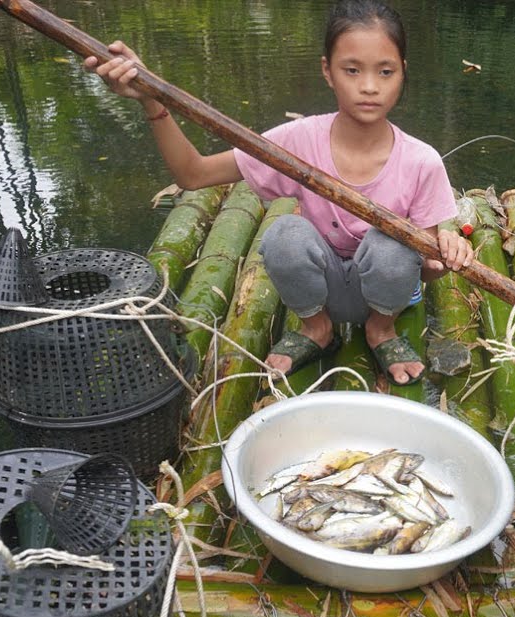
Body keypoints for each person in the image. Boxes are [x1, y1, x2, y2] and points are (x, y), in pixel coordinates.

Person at [84, 0, 473, 385]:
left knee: (393, 246)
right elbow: (193, 174)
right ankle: (316, 327)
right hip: (321, 288)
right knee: (284, 233)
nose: (369, 86)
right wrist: (152, 98)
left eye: (385, 71)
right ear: (327, 71)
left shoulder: (421, 161)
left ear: (402, 72)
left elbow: (427, 268)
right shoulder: (297, 142)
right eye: (352, 70)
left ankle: (380, 331)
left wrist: (440, 255)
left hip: (387, 296)